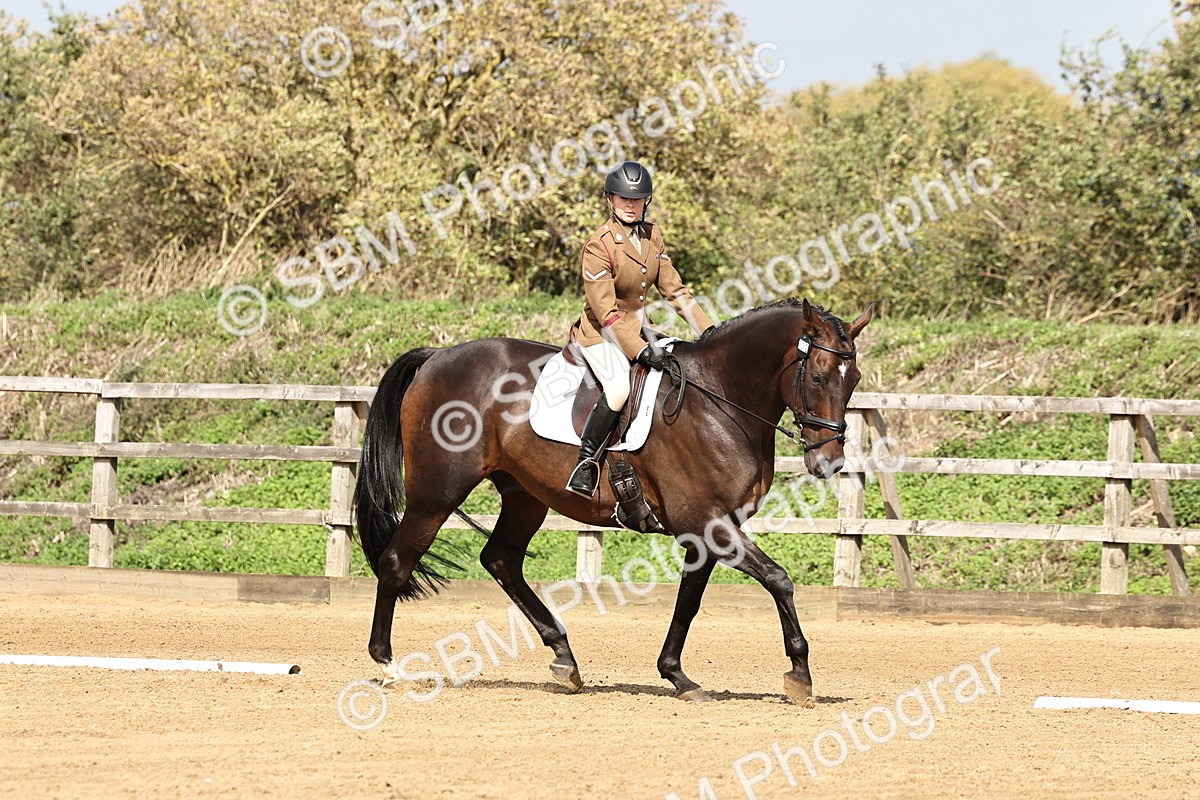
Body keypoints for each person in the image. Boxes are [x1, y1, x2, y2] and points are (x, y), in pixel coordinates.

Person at [565, 160, 715, 497]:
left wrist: (710, 333)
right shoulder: (599, 245)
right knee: (619, 388)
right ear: (610, 199)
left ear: (646, 201)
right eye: (623, 199)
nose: (630, 205)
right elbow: (606, 313)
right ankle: (586, 463)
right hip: (601, 335)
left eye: (637, 199)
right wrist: (639, 349)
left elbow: (675, 291)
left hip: (641, 329)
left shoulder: (652, 236)